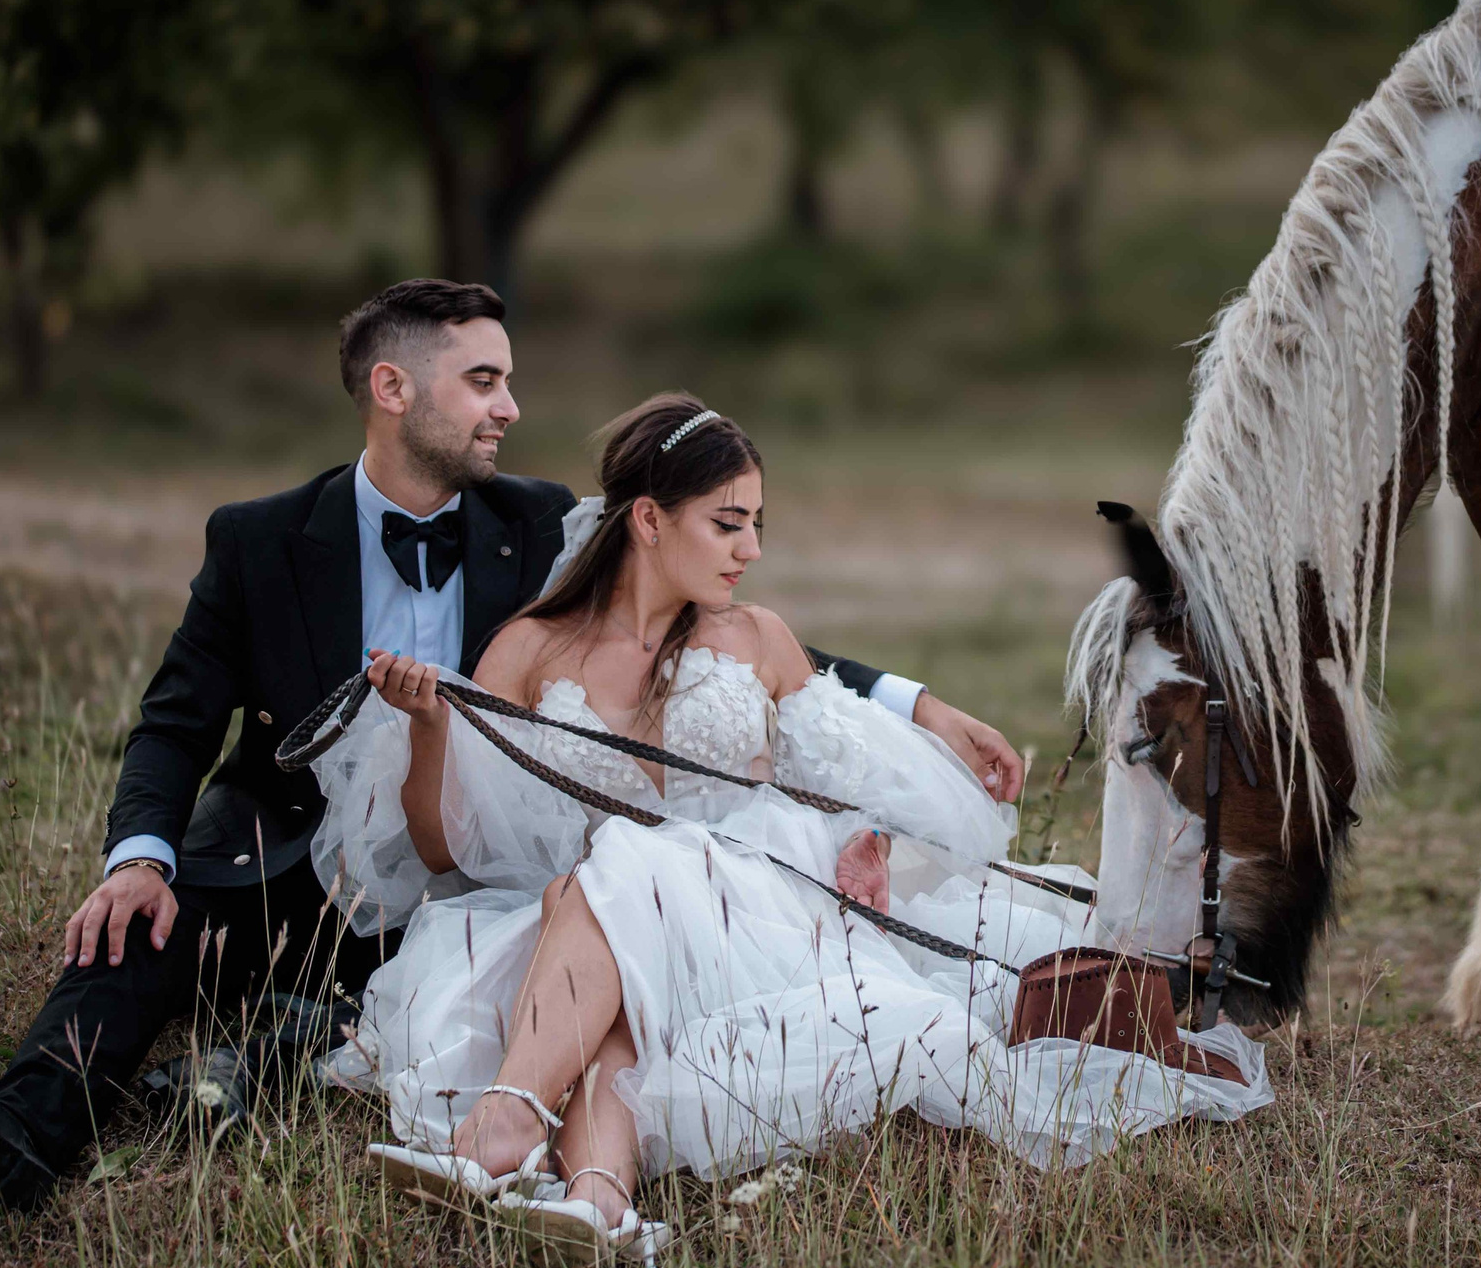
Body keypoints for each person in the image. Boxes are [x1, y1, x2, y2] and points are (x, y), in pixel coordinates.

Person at [0, 279, 1024, 1210]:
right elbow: (177, 718)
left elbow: (723, 620)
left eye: (509, 381)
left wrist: (916, 703)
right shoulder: (259, 541)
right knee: (142, 916)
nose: (508, 406)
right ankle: (20, 1135)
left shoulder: (534, 523)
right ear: (393, 387)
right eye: (483, 379)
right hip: (289, 866)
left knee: (422, 1009)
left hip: (458, 886)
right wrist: (139, 847)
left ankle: (257, 1068)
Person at [320, 395, 1267, 1262]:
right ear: (648, 519)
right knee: (613, 918)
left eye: (756, 525)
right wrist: (432, 724)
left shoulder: (756, 639)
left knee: (618, 877)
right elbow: (447, 849)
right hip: (598, 929)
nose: (750, 550)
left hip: (758, 918)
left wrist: (875, 841)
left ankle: (503, 1124)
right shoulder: (529, 649)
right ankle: (601, 1202)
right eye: (727, 523)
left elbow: (878, 784)